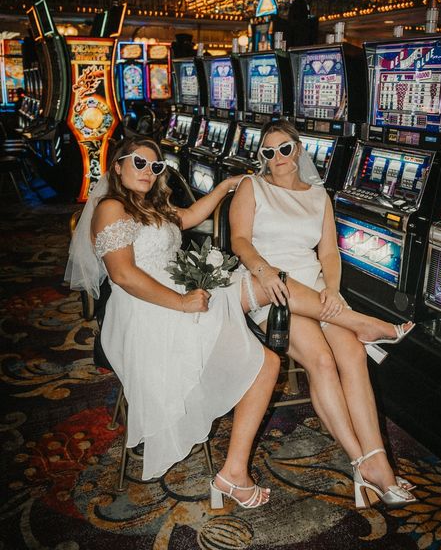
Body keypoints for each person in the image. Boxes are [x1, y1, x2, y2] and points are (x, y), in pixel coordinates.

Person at [65, 137, 281, 509]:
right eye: (139, 163)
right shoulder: (111, 208)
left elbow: (189, 217)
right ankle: (234, 474)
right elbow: (124, 276)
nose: (148, 171)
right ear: (117, 166)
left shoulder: (146, 205)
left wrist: (225, 188)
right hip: (146, 311)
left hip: (174, 296)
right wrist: (182, 303)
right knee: (268, 363)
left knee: (265, 284)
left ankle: (328, 325)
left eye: (155, 166)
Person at [230, 119, 417, 509]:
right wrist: (262, 269)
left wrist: (332, 290)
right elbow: (240, 240)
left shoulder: (318, 196)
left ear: (298, 149)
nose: (277, 157)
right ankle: (362, 462)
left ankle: (378, 457)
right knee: (323, 361)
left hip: (316, 289)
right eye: (268, 151)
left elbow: (329, 254)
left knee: (352, 356)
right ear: (261, 157)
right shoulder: (253, 187)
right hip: (275, 289)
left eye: (284, 148)